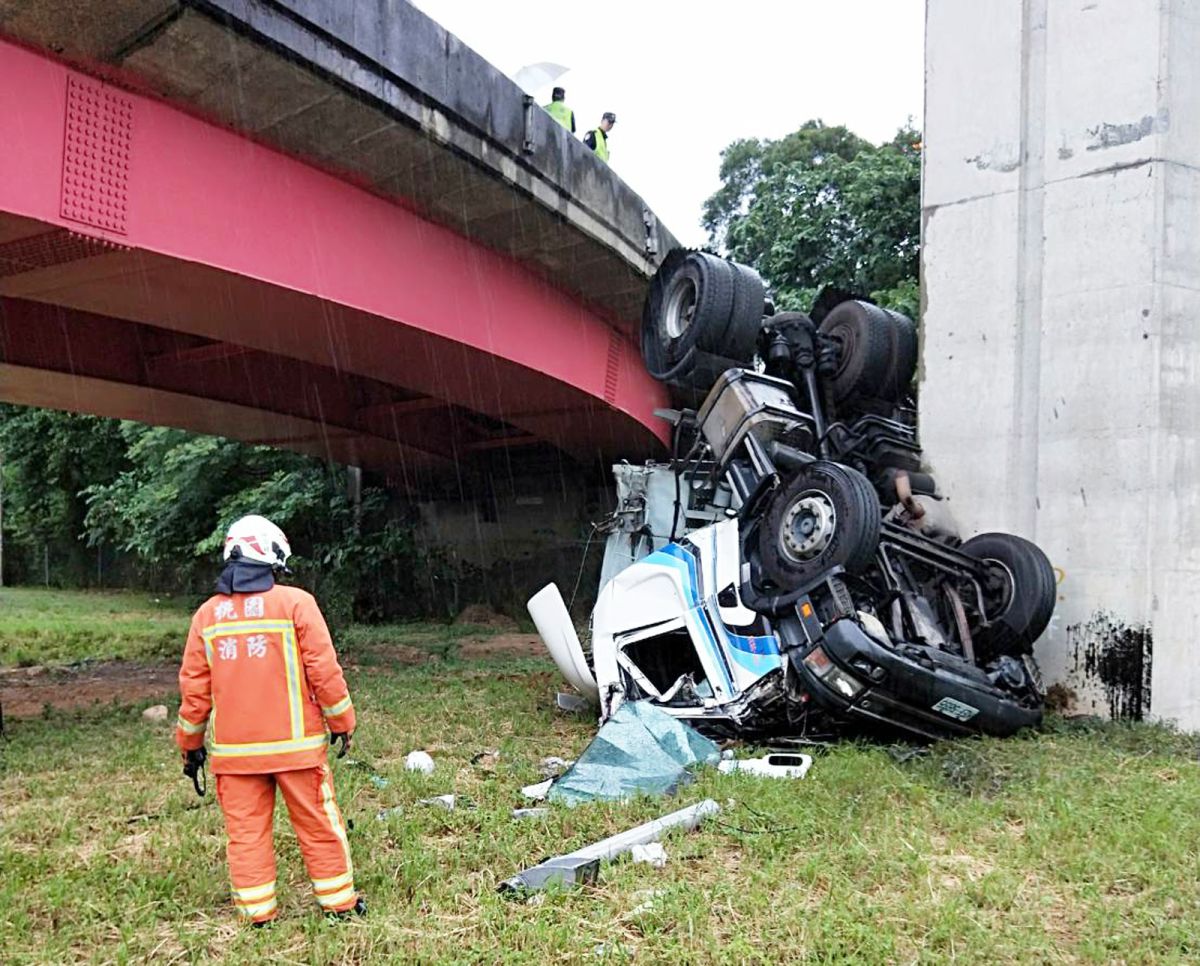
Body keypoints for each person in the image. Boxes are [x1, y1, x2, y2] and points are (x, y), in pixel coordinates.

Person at [175, 514, 362, 926]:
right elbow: (324, 671)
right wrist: (342, 721)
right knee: (318, 827)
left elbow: (194, 692)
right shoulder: (296, 603)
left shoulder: (206, 617)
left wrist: (189, 745)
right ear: (272, 557)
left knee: (246, 837)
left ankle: (258, 915)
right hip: (297, 750)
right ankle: (339, 906)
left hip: (235, 757)